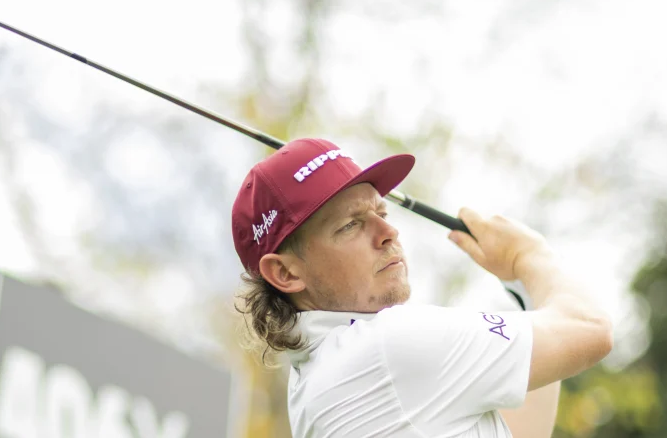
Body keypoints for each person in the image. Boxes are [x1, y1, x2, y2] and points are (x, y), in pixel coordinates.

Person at [232, 138, 613, 437]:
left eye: (381, 212)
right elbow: (591, 330)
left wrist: (520, 286)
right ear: (284, 274)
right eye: (350, 224)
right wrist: (530, 256)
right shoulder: (386, 346)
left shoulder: (313, 379)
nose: (389, 232)